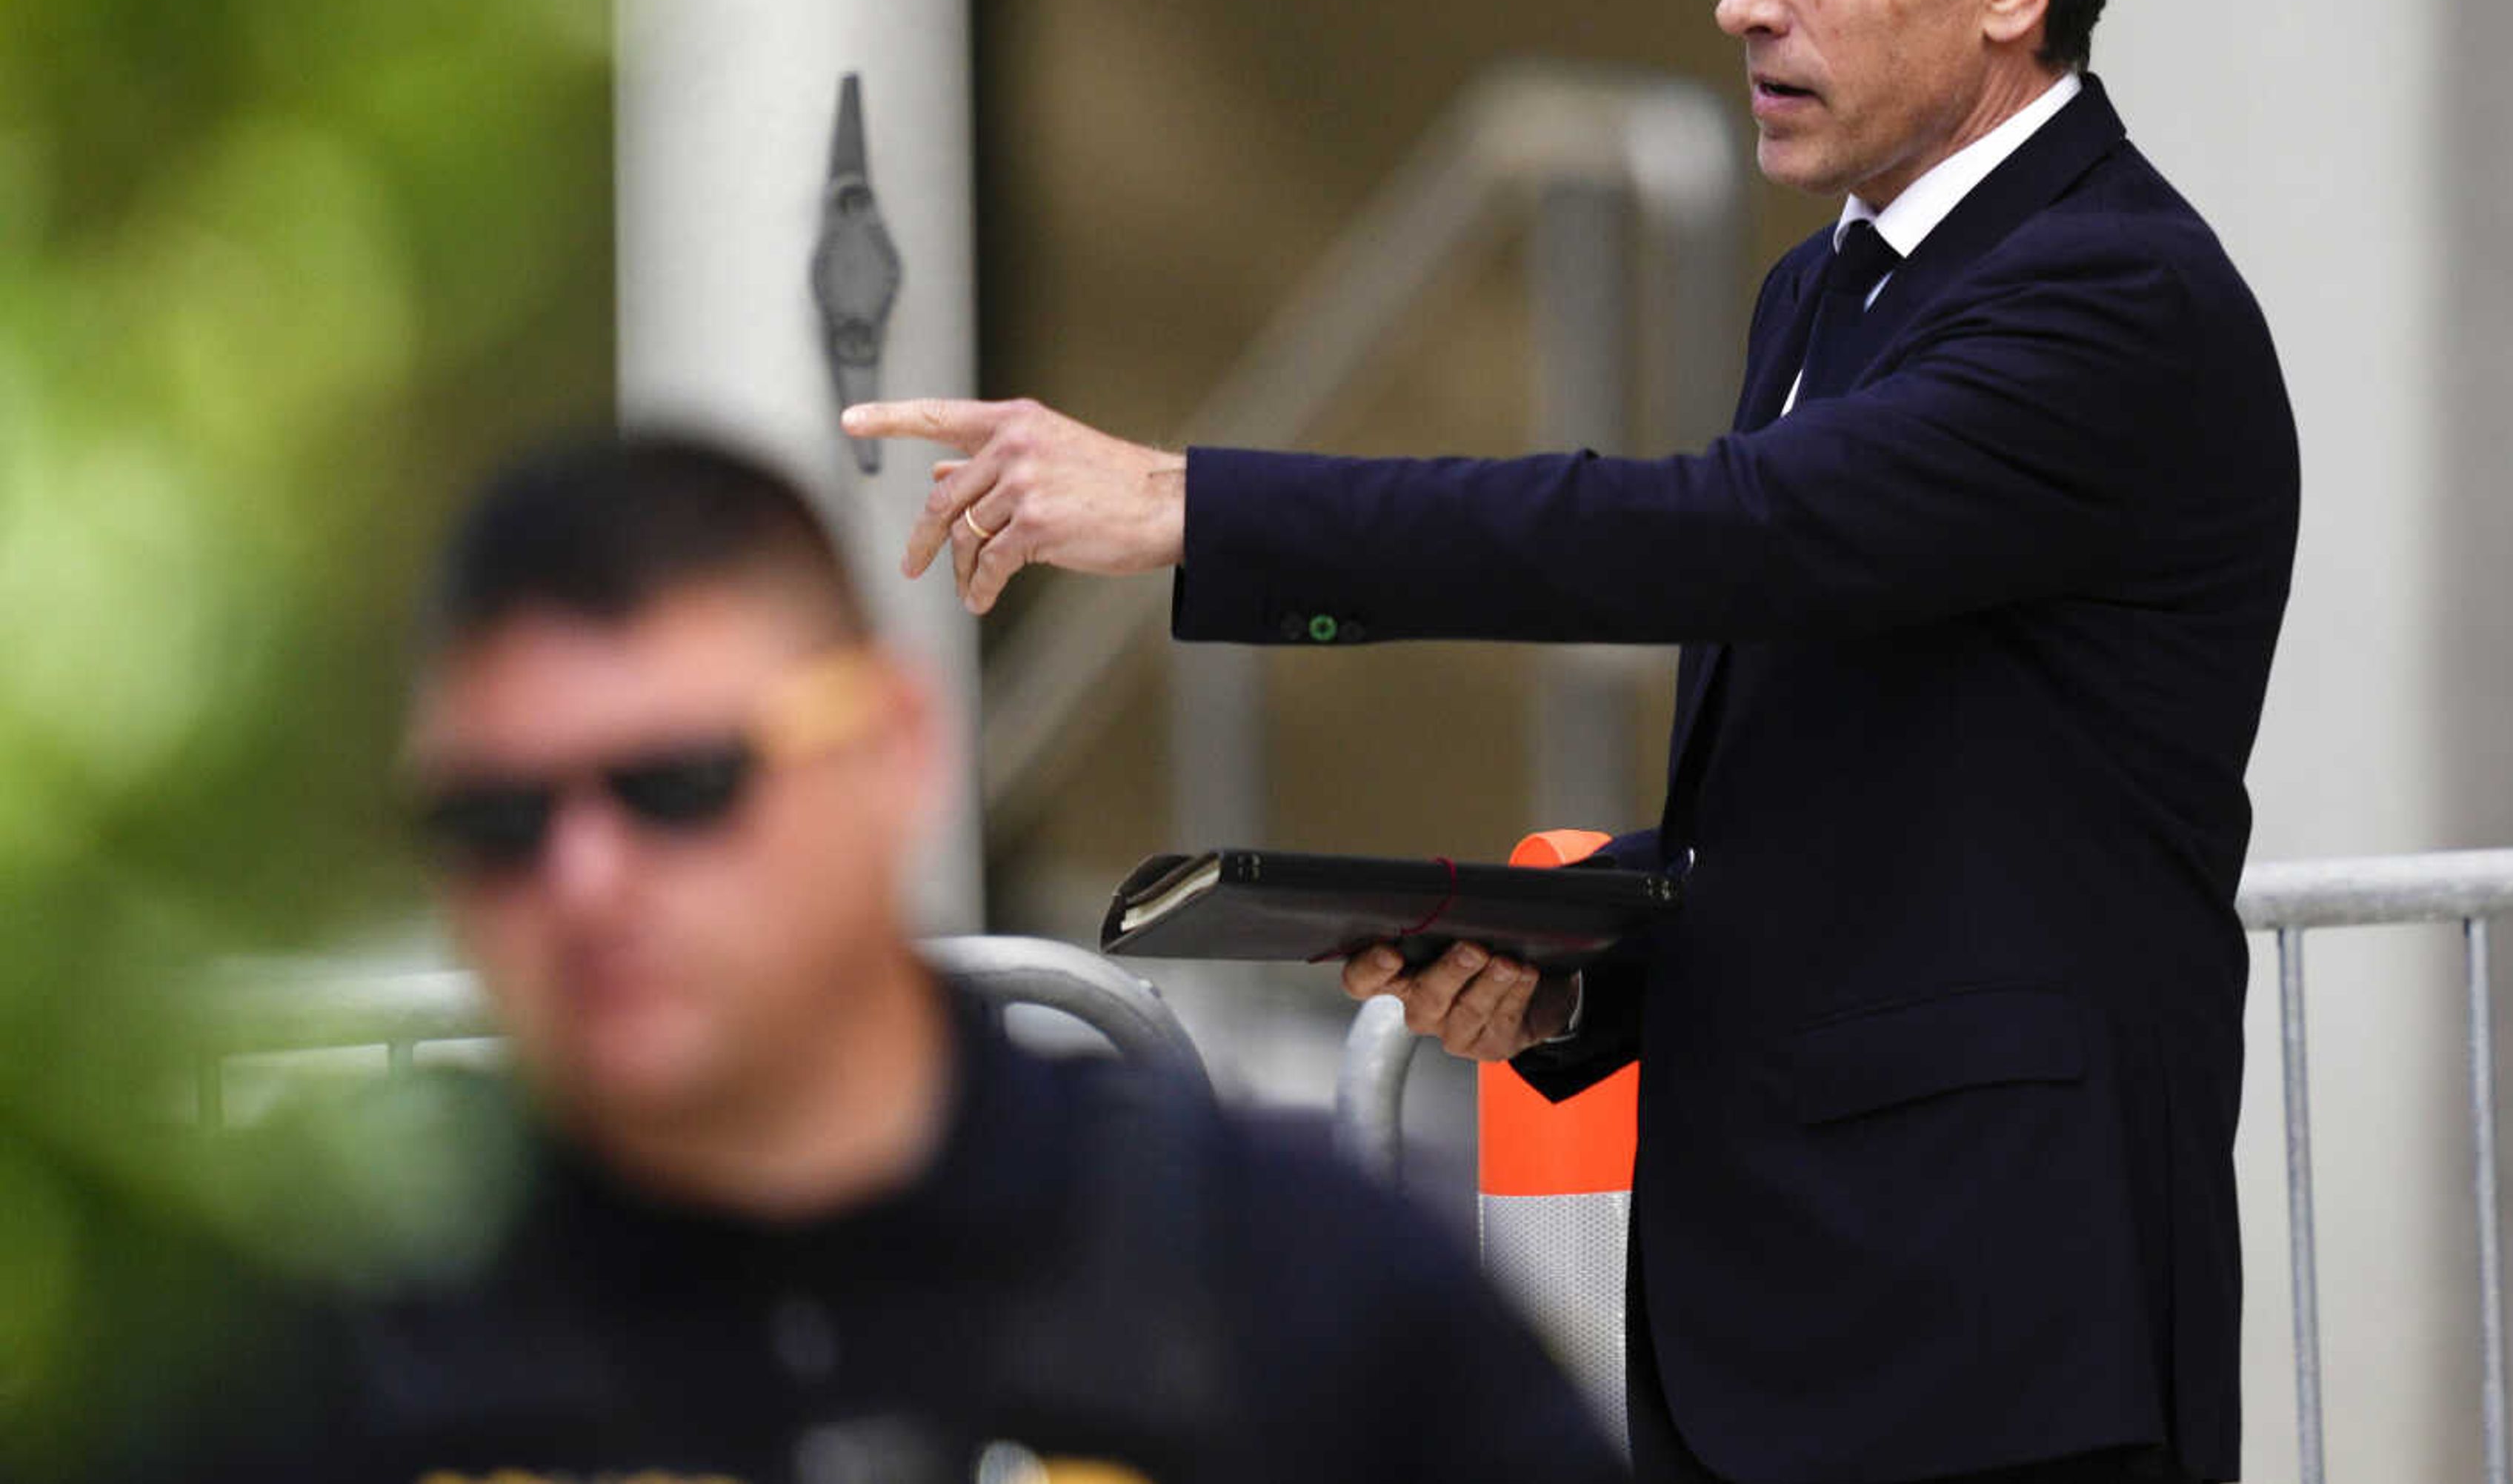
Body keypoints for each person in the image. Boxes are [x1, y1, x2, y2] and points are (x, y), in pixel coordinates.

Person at [847, 0, 2297, 1484]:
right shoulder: (1831, 291)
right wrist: (1575, 975)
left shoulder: (2114, 302)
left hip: (1994, 1343)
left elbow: (1711, 533)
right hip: (1778, 1330)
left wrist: (1192, 507)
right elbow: (1872, 800)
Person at [142, 433, 1623, 1484]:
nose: (584, 881)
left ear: (892, 754)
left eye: (678, 787)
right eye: (499, 819)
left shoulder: (1294, 1292)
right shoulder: (343, 1368)